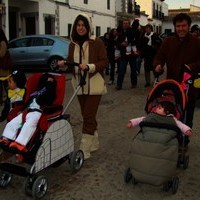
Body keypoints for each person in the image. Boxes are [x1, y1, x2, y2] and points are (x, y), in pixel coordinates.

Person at [57, 13, 108, 160]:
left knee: (88, 116)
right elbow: (70, 61)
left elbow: (104, 62)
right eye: (78, 25)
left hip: (94, 85)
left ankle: (84, 149)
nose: (81, 28)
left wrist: (90, 66)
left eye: (83, 25)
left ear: (88, 27)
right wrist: (63, 64)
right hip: (79, 85)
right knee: (87, 115)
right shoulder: (72, 43)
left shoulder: (96, 42)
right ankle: (95, 142)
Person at [153, 13, 200, 146]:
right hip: (172, 87)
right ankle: (171, 139)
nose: (181, 29)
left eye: (183, 25)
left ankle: (184, 142)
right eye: (178, 26)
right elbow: (160, 56)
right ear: (174, 27)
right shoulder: (168, 41)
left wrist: (190, 67)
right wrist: (158, 65)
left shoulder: (196, 42)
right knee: (171, 115)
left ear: (189, 26)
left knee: (187, 117)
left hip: (189, 87)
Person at [0, 73, 57, 152]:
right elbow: (27, 102)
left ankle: (20, 143)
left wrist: (49, 86)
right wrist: (22, 110)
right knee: (13, 123)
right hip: (28, 111)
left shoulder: (49, 93)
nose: (48, 81)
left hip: (38, 112)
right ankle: (6, 138)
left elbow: (51, 97)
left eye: (50, 81)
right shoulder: (34, 93)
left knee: (29, 124)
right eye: (46, 80)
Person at [127, 101, 192, 137]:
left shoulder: (172, 118)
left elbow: (180, 125)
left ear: (167, 112)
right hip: (151, 134)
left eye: (159, 108)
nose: (156, 109)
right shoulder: (152, 115)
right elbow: (142, 119)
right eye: (157, 107)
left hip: (165, 136)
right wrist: (132, 122)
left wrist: (186, 130)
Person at [115, 19, 138, 90]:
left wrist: (129, 42)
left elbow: (137, 41)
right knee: (121, 70)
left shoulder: (133, 31)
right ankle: (119, 85)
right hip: (124, 55)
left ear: (129, 24)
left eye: (126, 23)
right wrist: (121, 44)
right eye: (124, 23)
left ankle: (134, 84)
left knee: (133, 70)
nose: (125, 24)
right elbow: (117, 43)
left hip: (132, 55)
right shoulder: (120, 33)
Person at [0, 28, 13, 105]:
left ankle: (9, 100)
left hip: (3, 69)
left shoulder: (2, 43)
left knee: (6, 85)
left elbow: (2, 54)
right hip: (2, 69)